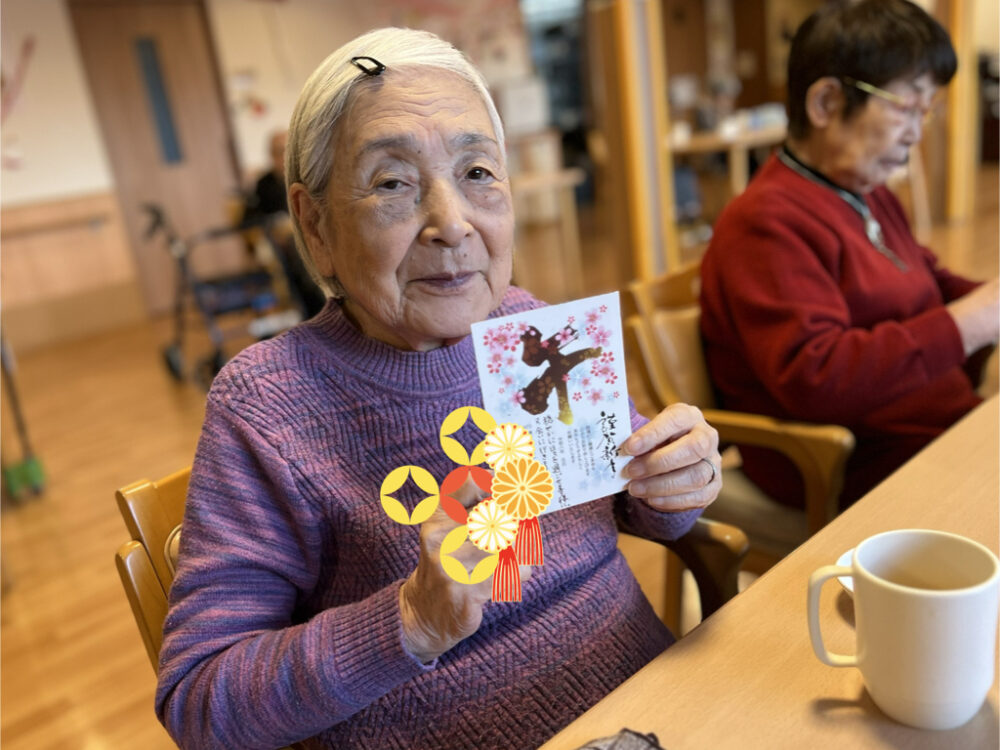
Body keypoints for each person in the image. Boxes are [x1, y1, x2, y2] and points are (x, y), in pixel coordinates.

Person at [156, 28, 722, 750]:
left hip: (652, 712)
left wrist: (676, 481)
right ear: (315, 225)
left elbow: (641, 505)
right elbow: (200, 701)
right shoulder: (266, 405)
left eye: (477, 172)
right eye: (392, 183)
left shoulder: (527, 329)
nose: (452, 223)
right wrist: (410, 620)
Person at [699, 0, 999, 509]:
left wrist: (987, 303)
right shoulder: (763, 223)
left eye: (926, 111)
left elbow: (930, 281)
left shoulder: (864, 190)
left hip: (931, 430)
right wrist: (971, 322)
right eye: (906, 107)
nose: (917, 132)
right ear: (825, 103)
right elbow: (817, 377)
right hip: (858, 465)